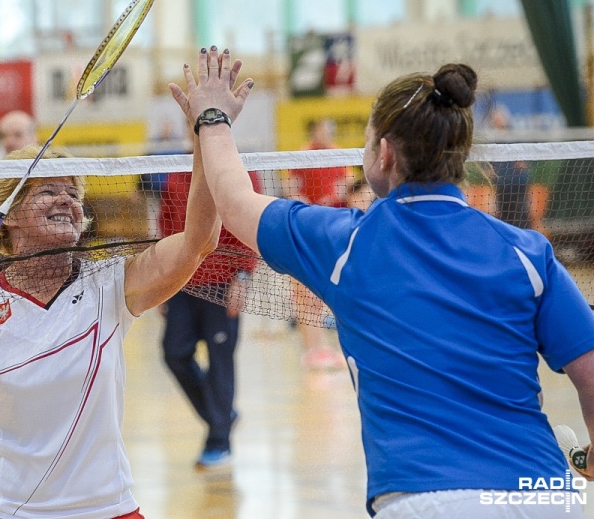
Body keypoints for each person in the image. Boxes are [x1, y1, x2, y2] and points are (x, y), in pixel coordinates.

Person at [170, 47, 594, 517]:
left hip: (424, 500)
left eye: (368, 141)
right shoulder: (528, 253)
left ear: (385, 153)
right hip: (545, 496)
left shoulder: (343, 245)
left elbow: (233, 199)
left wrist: (212, 117)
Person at [0, 88, 244, 517]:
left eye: (73, 194)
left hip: (103, 508)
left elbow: (198, 242)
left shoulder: (113, 283)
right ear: (11, 213)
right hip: (1, 509)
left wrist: (206, 129)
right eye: (48, 192)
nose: (66, 200)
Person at [158, 167, 261, 469]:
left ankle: (219, 440)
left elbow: (247, 225)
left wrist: (242, 277)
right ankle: (222, 416)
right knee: (174, 353)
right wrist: (162, 282)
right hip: (181, 282)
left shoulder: (238, 171)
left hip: (223, 282)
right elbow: (166, 226)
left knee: (220, 362)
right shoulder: (176, 175)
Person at [286, 118, 348, 370]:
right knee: (304, 292)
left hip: (332, 229)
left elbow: (345, 185)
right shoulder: (303, 154)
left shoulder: (337, 153)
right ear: (315, 130)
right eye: (325, 128)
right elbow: (291, 187)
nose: (329, 132)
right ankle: (312, 350)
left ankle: (325, 348)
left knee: (328, 292)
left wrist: (331, 198)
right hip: (306, 229)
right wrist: (307, 208)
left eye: (331, 128)